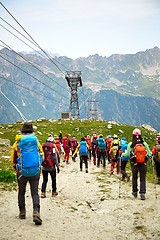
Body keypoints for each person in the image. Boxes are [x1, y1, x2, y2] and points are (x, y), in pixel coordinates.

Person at [11, 122, 42, 225]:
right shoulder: (35, 141)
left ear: (22, 131)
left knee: (21, 191)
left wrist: (17, 166)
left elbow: (13, 158)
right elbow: (41, 154)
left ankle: (22, 212)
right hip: (35, 171)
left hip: (22, 172)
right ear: (32, 131)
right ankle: (36, 212)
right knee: (34, 193)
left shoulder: (17, 142)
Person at [122, 128, 152, 200]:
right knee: (142, 178)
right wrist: (149, 153)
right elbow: (150, 153)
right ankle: (142, 194)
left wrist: (122, 153)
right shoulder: (144, 143)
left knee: (134, 178)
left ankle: (135, 192)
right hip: (143, 163)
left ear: (133, 135)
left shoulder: (131, 144)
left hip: (134, 163)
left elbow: (126, 154)